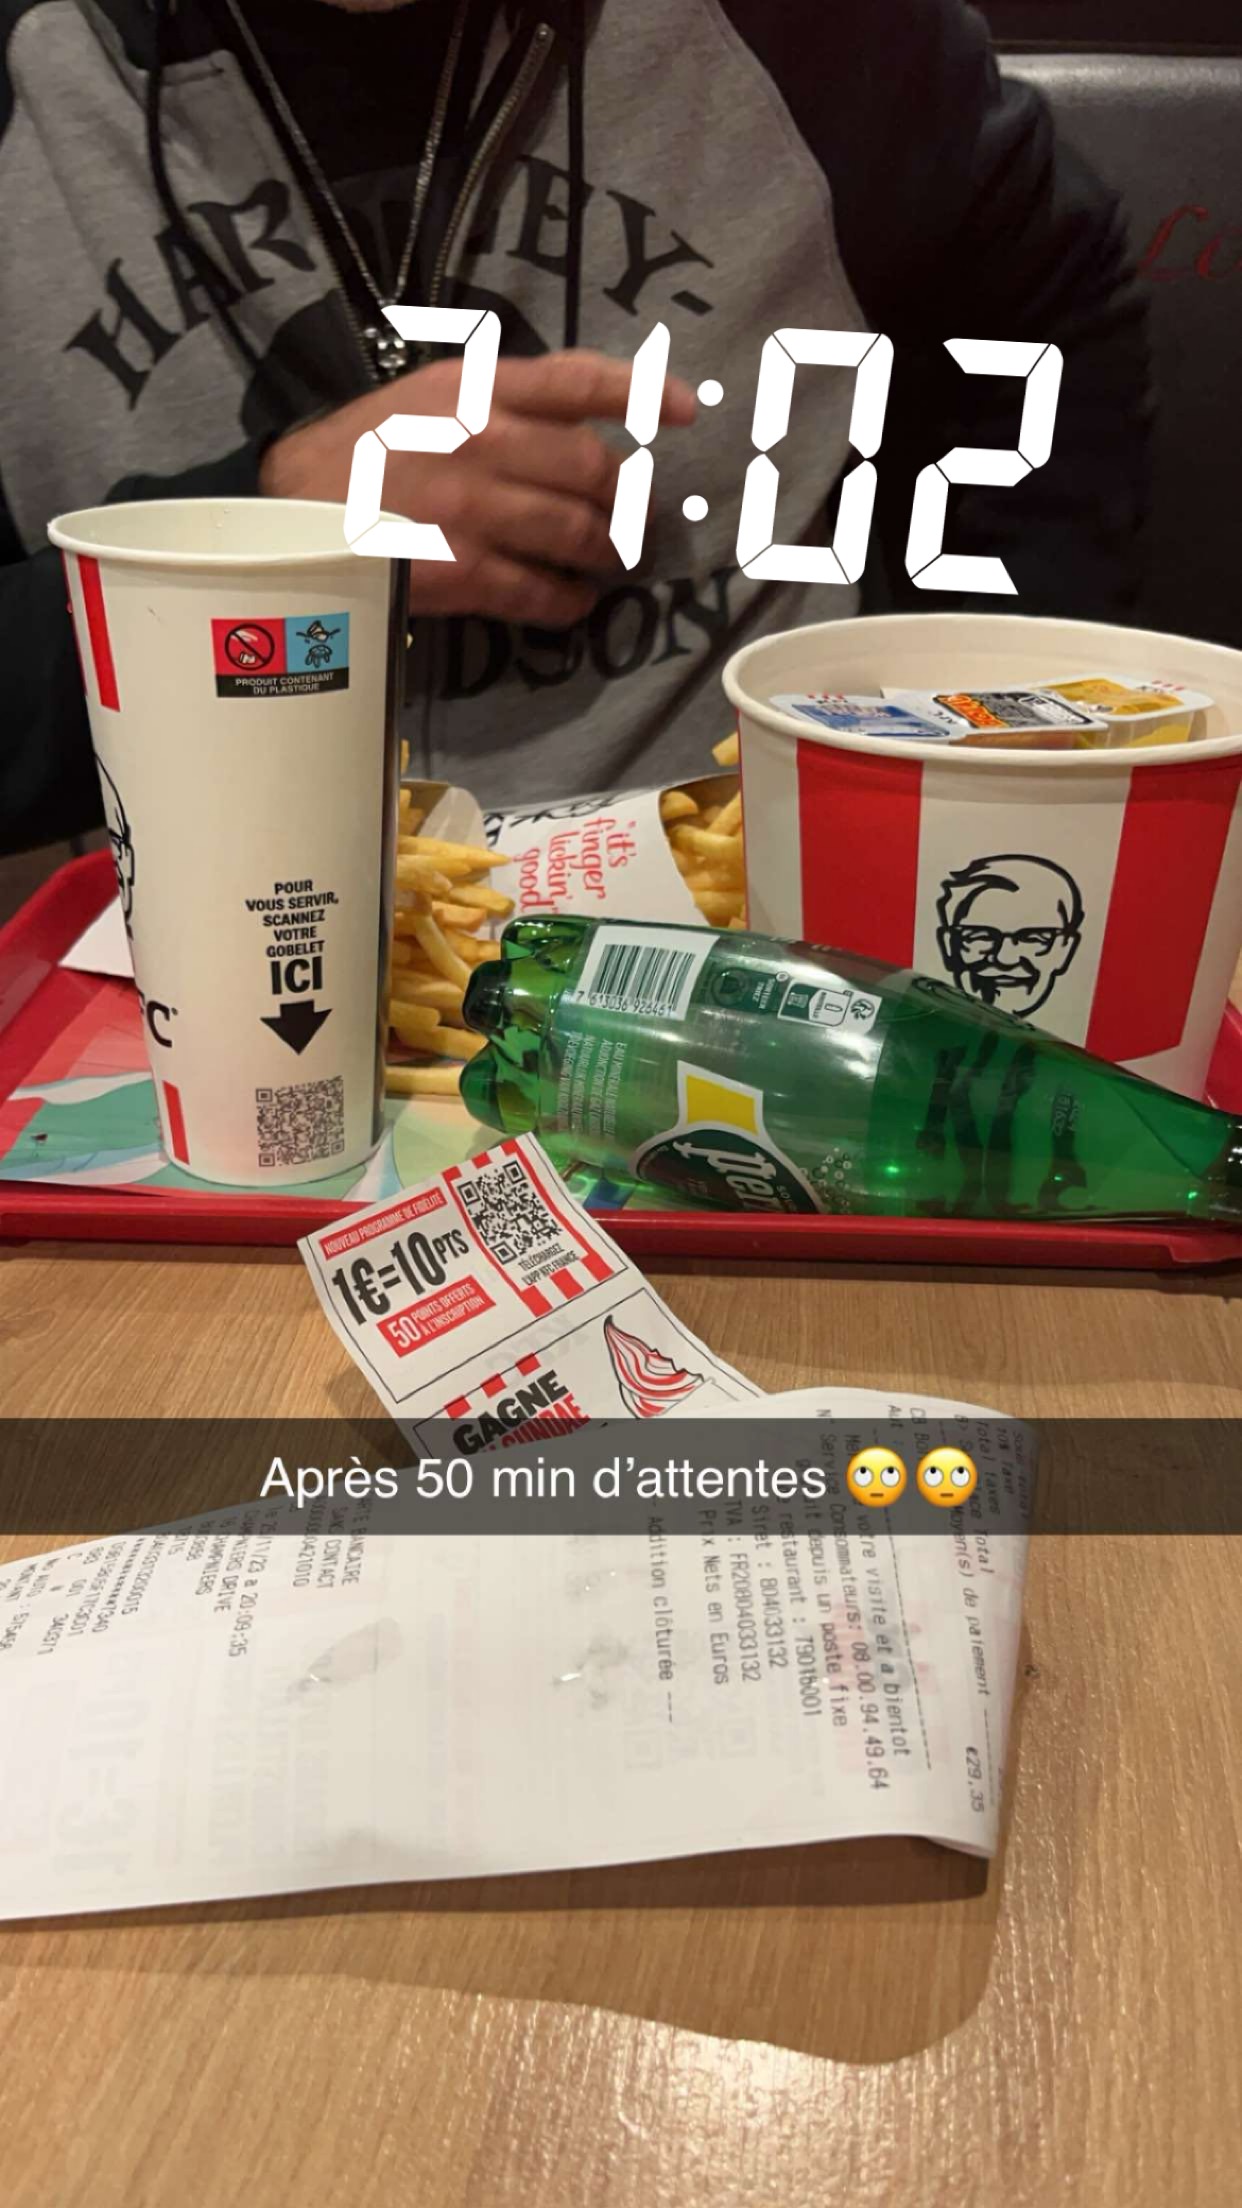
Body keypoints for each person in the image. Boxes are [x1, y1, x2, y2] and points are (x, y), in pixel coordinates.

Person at [0, 0, 1149, 854]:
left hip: (754, 940)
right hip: (188, 965)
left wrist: (976, 743)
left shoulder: (820, 36)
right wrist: (248, 546)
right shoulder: (30, 77)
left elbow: (1048, 299)